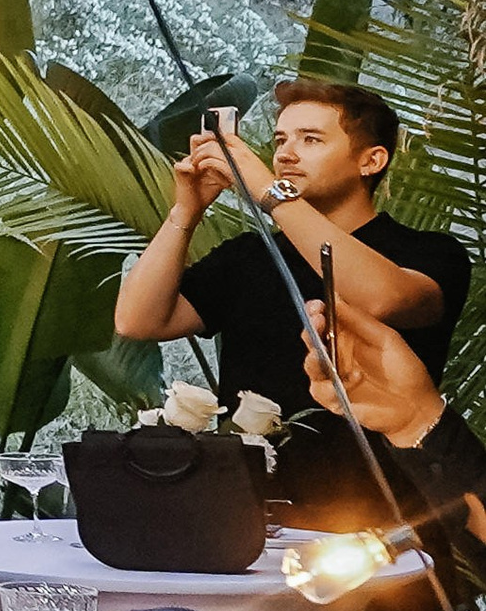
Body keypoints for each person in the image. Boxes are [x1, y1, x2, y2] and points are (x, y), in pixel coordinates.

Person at [115, 76, 472, 427]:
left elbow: (384, 300)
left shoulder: (431, 252)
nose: (286, 153)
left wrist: (269, 192)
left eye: (311, 139)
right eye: (281, 139)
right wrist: (186, 212)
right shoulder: (250, 254)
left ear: (371, 161)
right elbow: (138, 320)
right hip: (245, 479)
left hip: (374, 480)